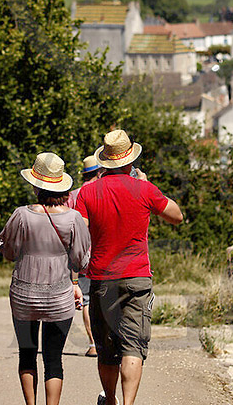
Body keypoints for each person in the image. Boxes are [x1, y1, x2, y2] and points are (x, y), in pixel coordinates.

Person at [72, 130, 184, 405]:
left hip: (101, 277)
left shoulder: (87, 192)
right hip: (136, 275)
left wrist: (74, 276)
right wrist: (147, 186)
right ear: (129, 161)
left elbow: (79, 234)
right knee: (133, 345)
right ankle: (128, 403)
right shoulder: (145, 189)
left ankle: (110, 399)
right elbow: (177, 216)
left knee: (106, 349)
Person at [0, 152, 91, 405]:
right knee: (53, 358)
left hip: (23, 295)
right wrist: (73, 283)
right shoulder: (73, 218)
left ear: (36, 185)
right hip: (59, 296)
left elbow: (8, 252)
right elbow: (81, 260)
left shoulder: (21, 215)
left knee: (26, 354)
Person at [67, 155, 101, 357]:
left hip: (81, 255)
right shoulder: (103, 192)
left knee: (87, 300)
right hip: (104, 252)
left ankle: (93, 343)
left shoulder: (73, 195)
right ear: (100, 172)